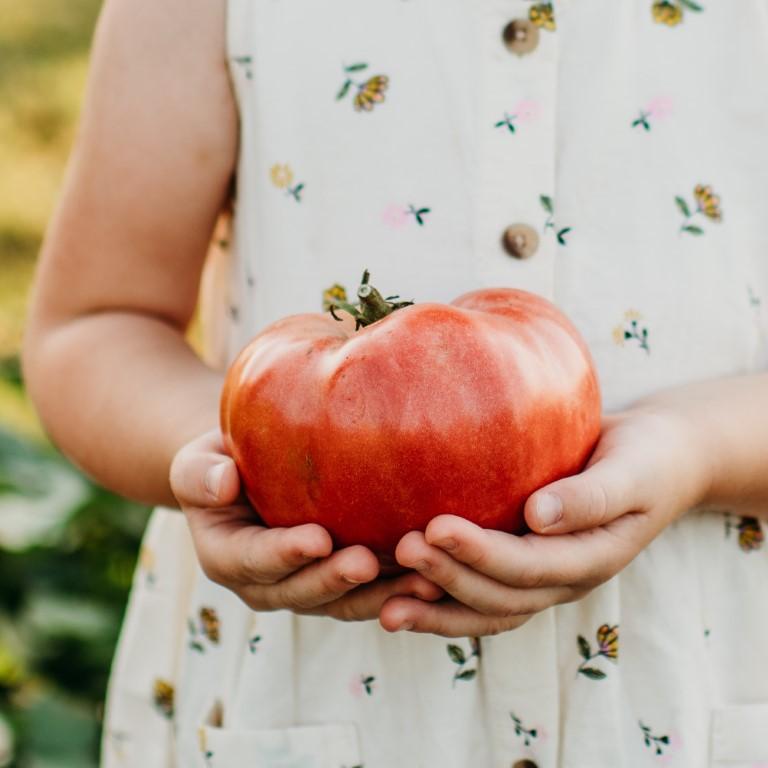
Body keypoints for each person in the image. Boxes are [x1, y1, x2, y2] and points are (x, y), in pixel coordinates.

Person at [22, 0, 768, 765]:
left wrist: (698, 450)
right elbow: (96, 325)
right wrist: (247, 465)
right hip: (305, 683)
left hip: (699, 676)